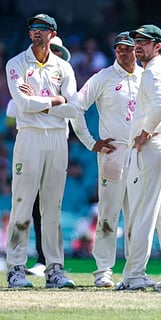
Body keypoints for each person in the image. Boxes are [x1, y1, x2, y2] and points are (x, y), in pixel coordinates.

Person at [5, 13, 78, 288]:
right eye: (33, 28)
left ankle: (54, 269)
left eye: (43, 28)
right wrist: (55, 100)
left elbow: (73, 106)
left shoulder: (64, 68)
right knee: (22, 203)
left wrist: (46, 101)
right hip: (30, 137)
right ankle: (16, 269)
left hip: (58, 138)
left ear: (53, 34)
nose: (37, 32)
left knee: (52, 207)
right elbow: (22, 105)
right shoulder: (16, 64)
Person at [116, 24, 161, 291]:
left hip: (154, 146)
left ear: (158, 46)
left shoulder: (152, 72)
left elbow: (160, 104)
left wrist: (147, 132)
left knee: (142, 213)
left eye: (145, 42)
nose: (138, 45)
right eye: (136, 40)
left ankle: (135, 275)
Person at [69, 31, 144, 287]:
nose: (123, 52)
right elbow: (76, 107)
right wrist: (91, 143)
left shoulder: (147, 77)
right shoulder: (103, 77)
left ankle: (135, 272)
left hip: (140, 154)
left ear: (137, 50)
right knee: (108, 214)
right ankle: (103, 271)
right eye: (119, 48)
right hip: (112, 153)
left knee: (136, 215)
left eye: (128, 48)